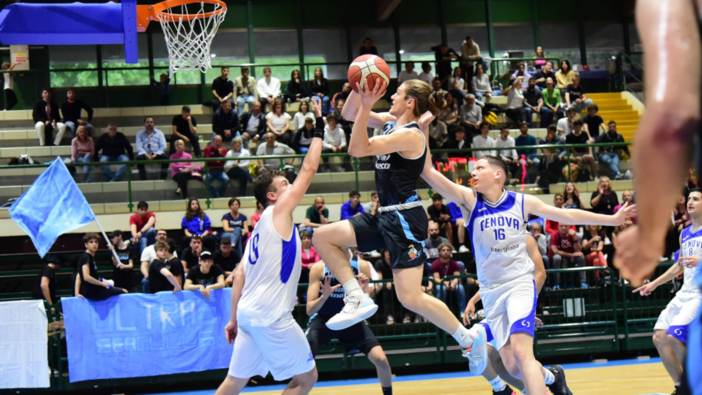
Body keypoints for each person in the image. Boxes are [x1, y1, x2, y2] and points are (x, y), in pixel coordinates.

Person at [418, 143, 634, 394]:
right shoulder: (470, 201)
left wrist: (612, 219)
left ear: (498, 174)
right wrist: (420, 131)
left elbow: (568, 216)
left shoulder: (521, 201)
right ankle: (552, 376)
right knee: (511, 365)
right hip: (491, 292)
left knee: (522, 353)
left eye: (479, 167)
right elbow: (428, 173)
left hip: (519, 284)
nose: (472, 173)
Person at [311, 77, 489, 369]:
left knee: (411, 297)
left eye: (397, 93)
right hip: (385, 214)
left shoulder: (411, 134)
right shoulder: (391, 121)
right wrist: (358, 88)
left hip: (405, 218)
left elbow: (357, 148)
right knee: (322, 237)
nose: (391, 95)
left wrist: (367, 104)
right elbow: (349, 114)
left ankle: (468, 339)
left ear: (410, 102)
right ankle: (357, 296)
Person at [214, 112, 325, 395]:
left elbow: (238, 275)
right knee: (308, 378)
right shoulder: (278, 212)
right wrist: (319, 131)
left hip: (248, 315)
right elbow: (309, 171)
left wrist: (233, 319)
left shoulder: (256, 233)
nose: (290, 185)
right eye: (284, 185)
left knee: (235, 381)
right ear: (272, 197)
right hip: (271, 316)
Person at [633, 190, 702, 395]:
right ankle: (681, 387)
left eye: (696, 199)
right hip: (684, 292)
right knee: (660, 336)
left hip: (699, 294)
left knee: (674, 335)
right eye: (689, 199)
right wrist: (653, 284)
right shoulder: (685, 233)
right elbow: (679, 266)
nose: (690, 202)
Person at [463, 235, 547, 395]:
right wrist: (472, 301)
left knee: (519, 361)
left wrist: (525, 310)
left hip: (516, 306)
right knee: (500, 363)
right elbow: (493, 284)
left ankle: (549, 379)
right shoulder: (491, 246)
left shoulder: (524, 241)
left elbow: (541, 274)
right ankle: (506, 390)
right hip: (498, 312)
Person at [305, 257, 394, 395]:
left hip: (351, 319)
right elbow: (310, 310)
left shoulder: (361, 265)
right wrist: (324, 297)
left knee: (381, 360)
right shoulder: (319, 268)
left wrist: (363, 288)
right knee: (304, 358)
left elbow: (364, 301)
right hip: (323, 320)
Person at [76, 233, 127, 301]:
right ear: (86, 245)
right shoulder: (86, 257)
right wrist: (102, 284)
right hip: (93, 292)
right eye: (91, 242)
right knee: (124, 291)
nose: (94, 244)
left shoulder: (90, 257)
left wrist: (76, 293)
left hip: (94, 289)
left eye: (96, 242)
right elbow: (86, 277)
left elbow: (79, 275)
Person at [431, 243, 467, 314]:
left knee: (460, 288)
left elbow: (457, 277)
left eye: (448, 250)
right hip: (441, 283)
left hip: (452, 283)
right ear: (439, 252)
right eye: (443, 250)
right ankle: (440, 312)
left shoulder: (454, 263)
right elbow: (436, 279)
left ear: (450, 252)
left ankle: (463, 311)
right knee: (442, 289)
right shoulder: (435, 264)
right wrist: (445, 283)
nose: (446, 252)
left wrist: (453, 284)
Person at [549, 223, 588, 289]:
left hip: (570, 258)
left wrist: (574, 238)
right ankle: (556, 283)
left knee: (581, 256)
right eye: (561, 226)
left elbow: (578, 250)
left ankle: (583, 281)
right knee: (557, 257)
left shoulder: (573, 235)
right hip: (558, 258)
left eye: (565, 226)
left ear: (569, 227)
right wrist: (571, 255)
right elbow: (555, 251)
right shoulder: (554, 235)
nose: (563, 228)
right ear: (558, 227)